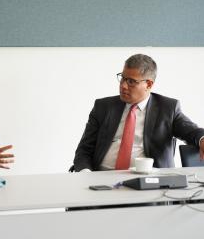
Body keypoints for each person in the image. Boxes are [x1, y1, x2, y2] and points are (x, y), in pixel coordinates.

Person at [73, 54, 204, 172]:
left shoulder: (167, 108)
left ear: (148, 84)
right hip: (102, 179)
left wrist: (202, 139)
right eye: (123, 78)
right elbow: (84, 150)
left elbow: (191, 132)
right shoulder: (103, 107)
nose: (123, 86)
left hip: (149, 181)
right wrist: (86, 175)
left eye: (131, 81)